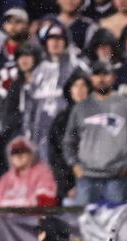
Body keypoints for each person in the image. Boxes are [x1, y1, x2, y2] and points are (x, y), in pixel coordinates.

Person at [63, 61, 127, 205]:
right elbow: (68, 142)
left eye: (105, 74)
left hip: (117, 178)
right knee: (83, 224)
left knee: (114, 223)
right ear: (91, 78)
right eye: (97, 74)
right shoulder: (80, 108)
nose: (101, 79)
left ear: (113, 77)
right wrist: (74, 165)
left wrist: (126, 166)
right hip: (86, 177)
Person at [24, 20, 90, 163]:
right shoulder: (38, 71)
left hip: (68, 131)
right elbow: (30, 107)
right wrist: (28, 133)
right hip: (41, 132)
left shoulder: (78, 68)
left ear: (66, 42)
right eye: (51, 39)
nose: (55, 43)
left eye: (60, 39)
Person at [49, 71, 92, 201]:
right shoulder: (61, 120)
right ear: (70, 90)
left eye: (83, 85)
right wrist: (67, 187)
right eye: (75, 86)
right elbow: (55, 156)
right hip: (74, 187)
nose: (79, 90)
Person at [0, 135, 59, 207]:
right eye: (15, 152)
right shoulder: (6, 177)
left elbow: (46, 202)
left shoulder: (42, 172)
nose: (19, 155)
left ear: (31, 153)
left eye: (23, 151)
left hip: (31, 218)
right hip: (5, 218)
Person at [0, 7, 34, 89]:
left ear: (26, 25)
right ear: (4, 25)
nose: (13, 26)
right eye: (9, 22)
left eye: (18, 22)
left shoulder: (34, 53)